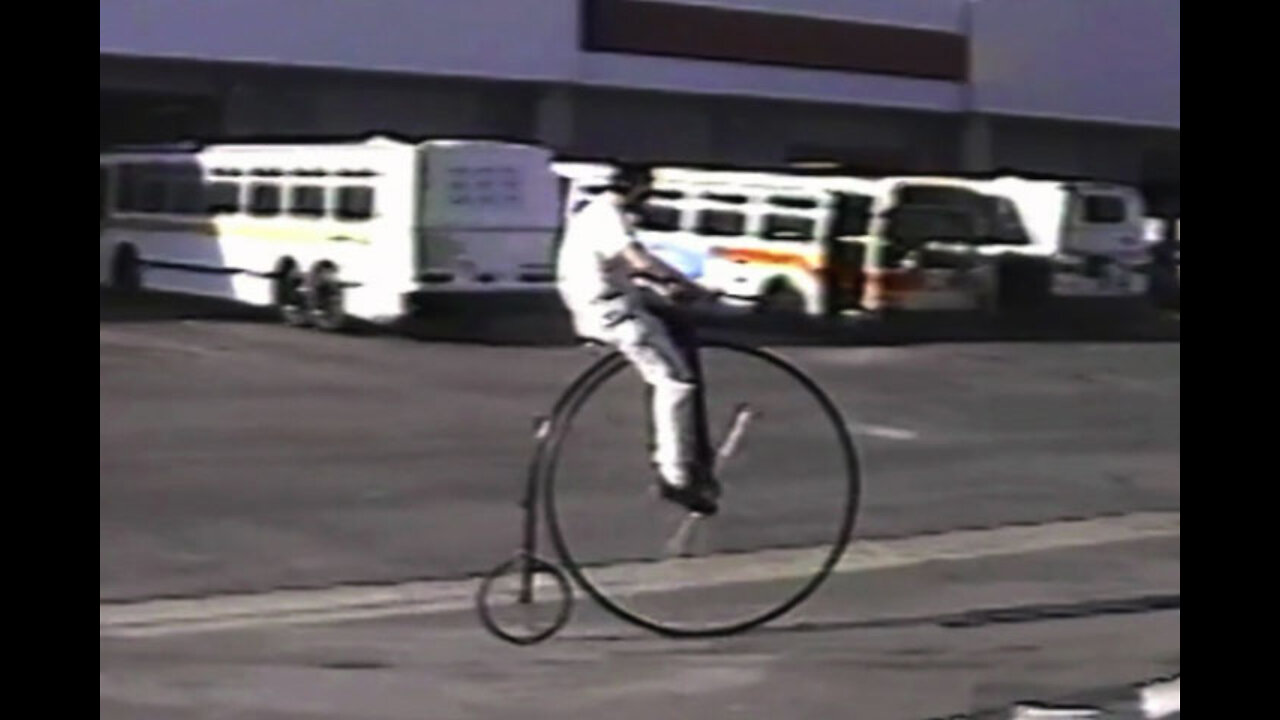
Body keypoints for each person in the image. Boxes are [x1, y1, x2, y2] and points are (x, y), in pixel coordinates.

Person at [555, 163, 721, 515]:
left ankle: (696, 454)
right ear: (634, 188)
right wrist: (688, 286)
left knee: (680, 331)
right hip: (613, 313)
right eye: (647, 189)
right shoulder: (608, 215)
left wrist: (672, 287)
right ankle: (675, 474)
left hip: (612, 303)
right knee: (674, 382)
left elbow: (635, 266)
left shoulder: (597, 215)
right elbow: (638, 260)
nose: (649, 198)